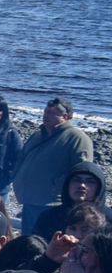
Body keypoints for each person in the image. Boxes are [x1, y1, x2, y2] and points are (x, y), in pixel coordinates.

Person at [14, 97, 96, 235]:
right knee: (28, 238)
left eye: (52, 113)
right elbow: (22, 156)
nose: (46, 115)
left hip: (51, 202)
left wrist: (58, 186)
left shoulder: (77, 138)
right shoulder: (38, 134)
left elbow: (81, 170)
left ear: (65, 116)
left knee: (44, 240)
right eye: (46, 112)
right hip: (29, 198)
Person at [33, 161, 105, 241]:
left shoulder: (108, 219)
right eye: (77, 180)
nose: (82, 185)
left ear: (99, 188)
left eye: (90, 181)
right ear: (67, 184)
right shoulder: (48, 217)